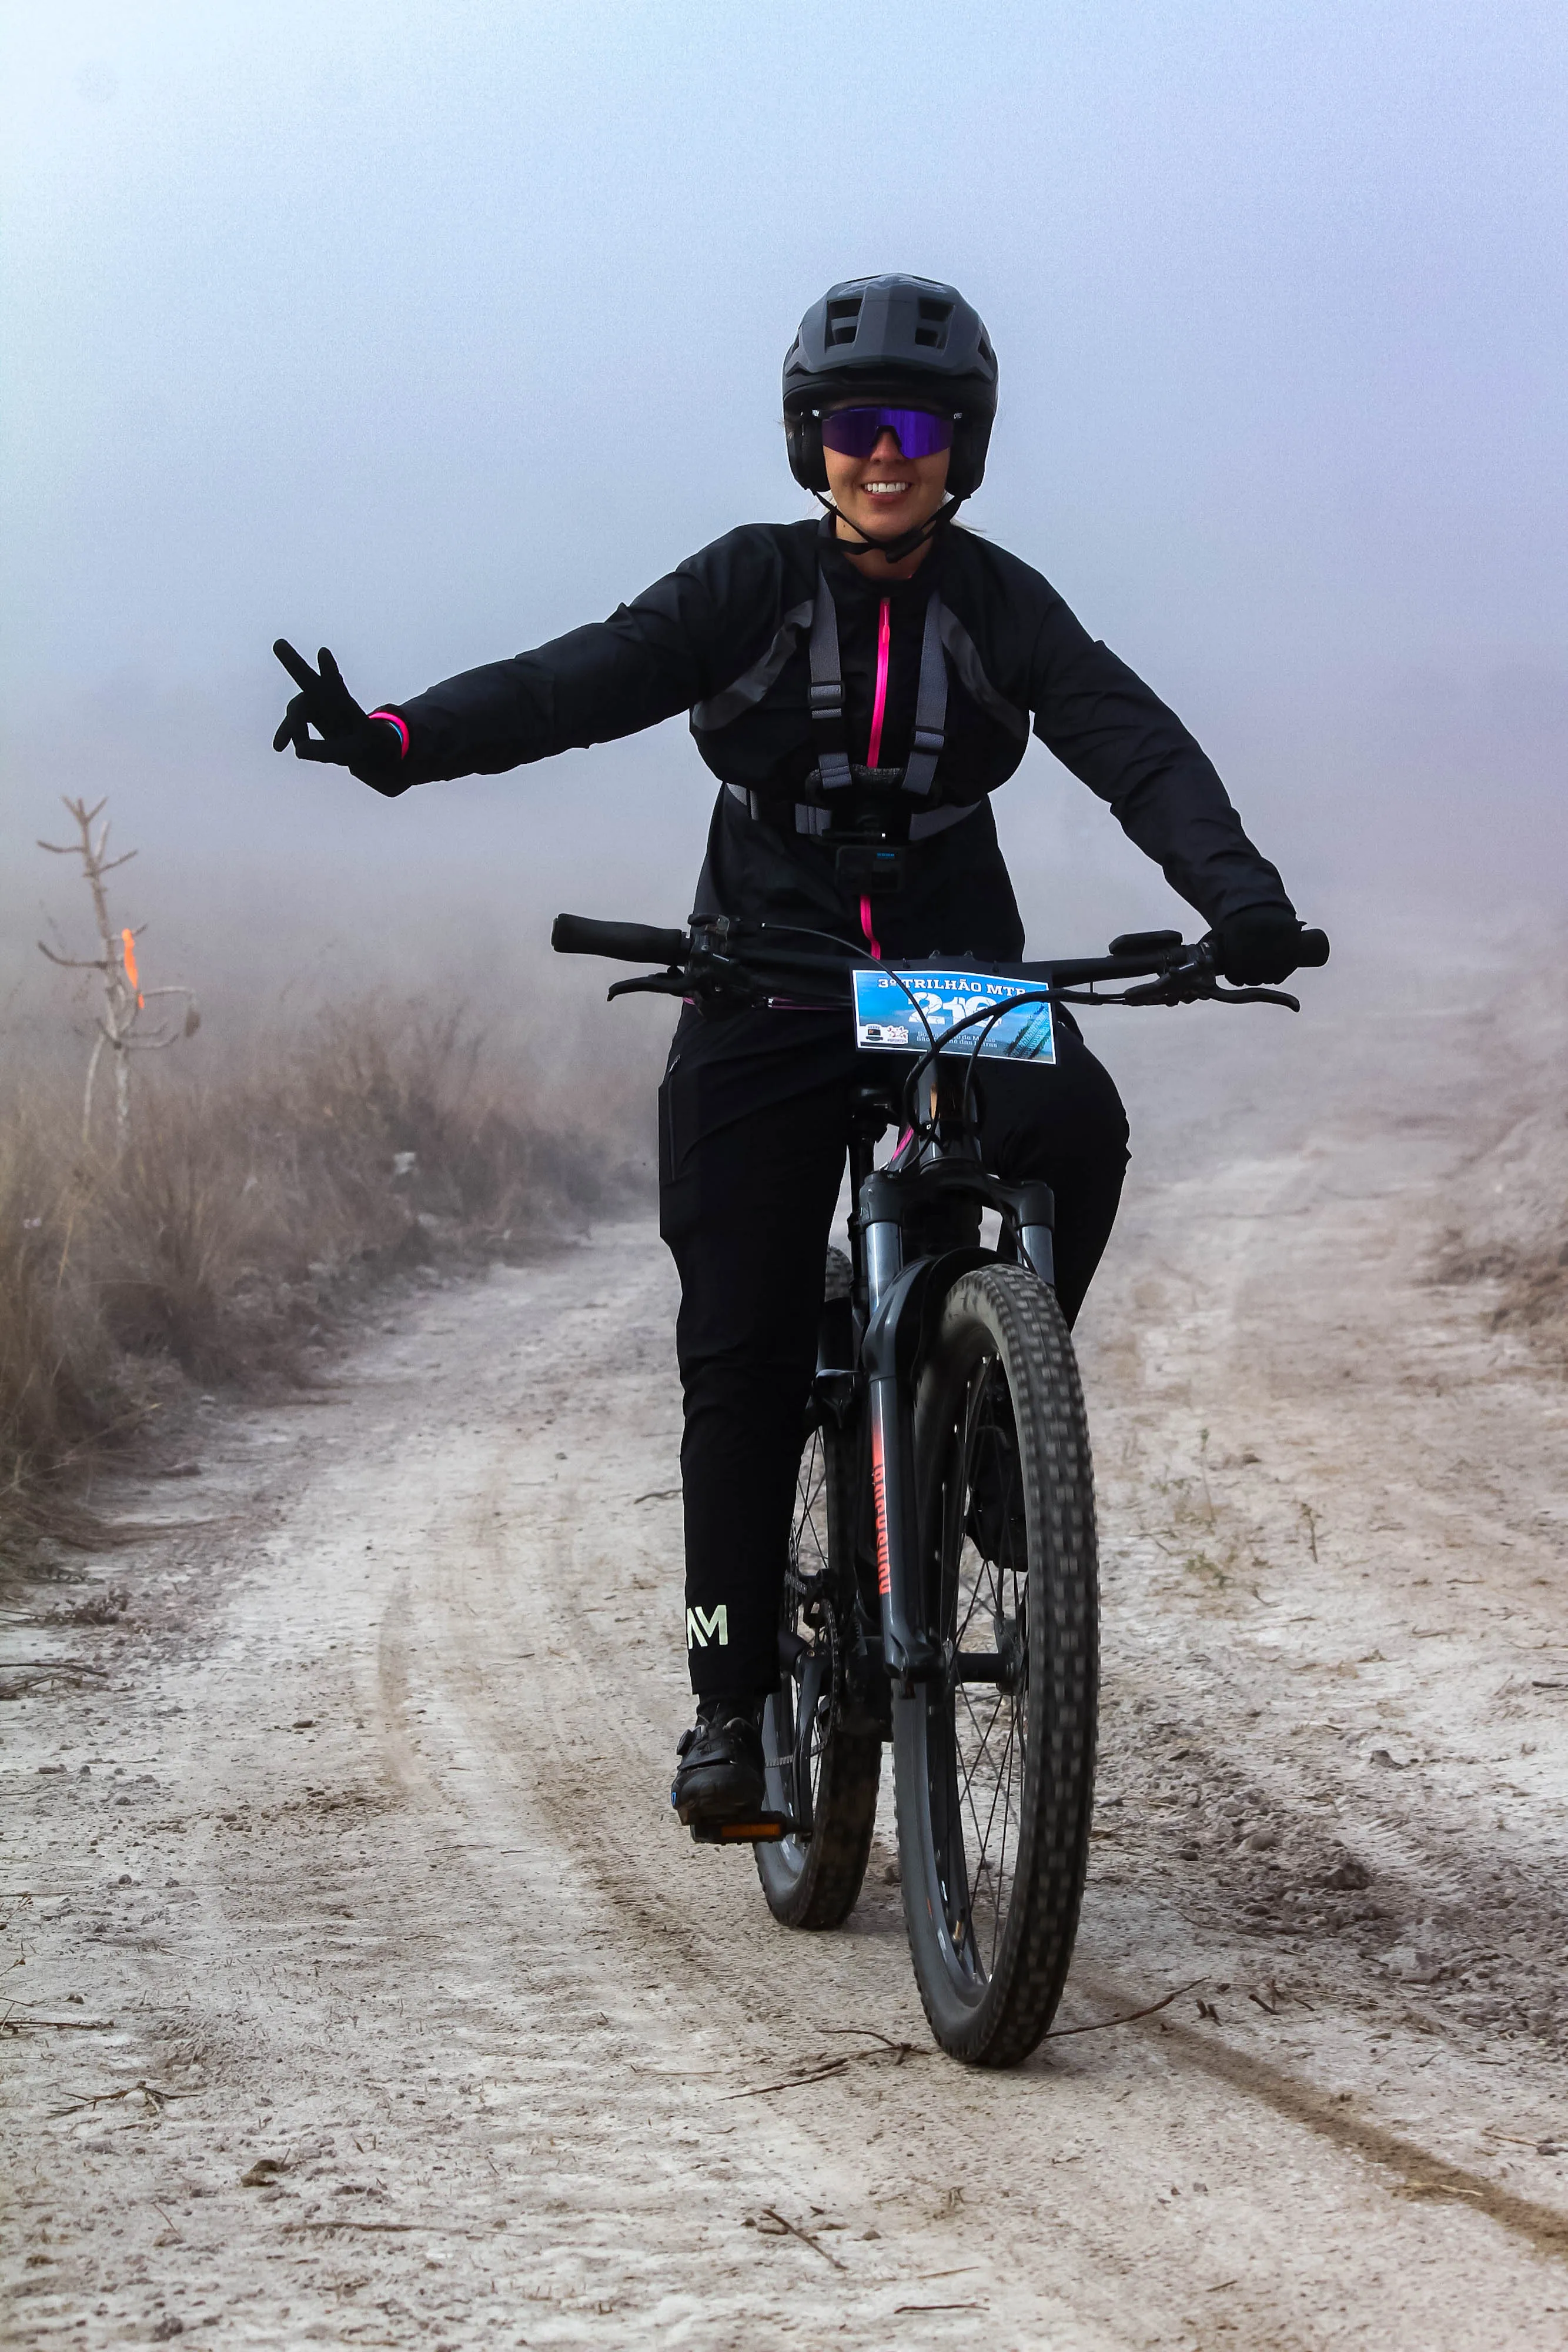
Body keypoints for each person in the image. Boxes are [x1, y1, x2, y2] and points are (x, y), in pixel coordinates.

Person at [273, 272, 1316, 1832]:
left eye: (919, 428)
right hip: (761, 970)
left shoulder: (1002, 605)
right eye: (853, 425)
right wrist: (400, 743)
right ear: (807, 440)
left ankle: (989, 1431)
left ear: (965, 448)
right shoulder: (749, 584)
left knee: (1074, 1129)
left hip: (948, 968)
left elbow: (1135, 744)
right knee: (744, 1341)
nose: (884, 454)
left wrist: (1242, 903)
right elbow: (580, 680)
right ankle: (729, 1699)